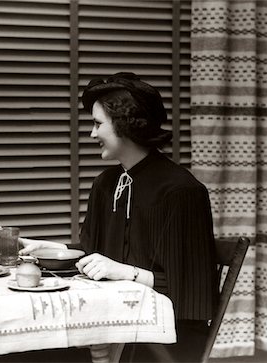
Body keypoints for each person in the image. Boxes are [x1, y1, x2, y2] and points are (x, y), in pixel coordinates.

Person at [69, 72, 219, 362]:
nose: (91, 134)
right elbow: (91, 254)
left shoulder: (180, 192)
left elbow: (191, 297)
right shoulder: (106, 184)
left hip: (164, 339)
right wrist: (35, 248)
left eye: (98, 124)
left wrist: (126, 272)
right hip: (116, 324)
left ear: (125, 125)